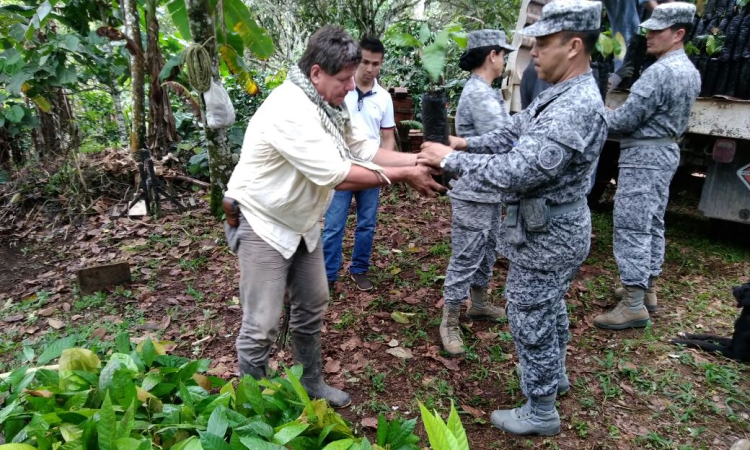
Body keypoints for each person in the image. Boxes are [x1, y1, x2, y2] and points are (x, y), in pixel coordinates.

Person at [223, 26, 444, 408]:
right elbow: (336, 174)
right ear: (316, 74)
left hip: (301, 223)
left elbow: (364, 149)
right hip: (262, 221)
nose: (349, 87)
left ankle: (311, 382)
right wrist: (406, 174)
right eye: (343, 80)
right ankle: (252, 405)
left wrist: (421, 159)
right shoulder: (288, 109)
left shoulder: (331, 105)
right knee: (261, 324)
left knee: (312, 303)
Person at [418, 0, 607, 436]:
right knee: (549, 306)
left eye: (542, 43)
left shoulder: (574, 107)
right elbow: (514, 132)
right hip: (550, 228)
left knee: (529, 311)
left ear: (573, 46)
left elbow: (517, 170)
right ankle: (553, 378)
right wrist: (464, 145)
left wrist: (450, 162)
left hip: (550, 233)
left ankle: (540, 409)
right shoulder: (560, 95)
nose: (533, 52)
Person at [594, 2, 700, 330]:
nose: (649, 35)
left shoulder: (660, 72)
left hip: (644, 158)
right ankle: (646, 289)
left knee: (632, 225)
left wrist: (596, 113)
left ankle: (633, 304)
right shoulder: (690, 71)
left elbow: (627, 119)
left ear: (678, 34)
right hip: (665, 153)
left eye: (657, 30)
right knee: (652, 222)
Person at [439, 29, 516, 356]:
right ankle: (450, 319)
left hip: (489, 189)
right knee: (467, 253)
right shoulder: (480, 94)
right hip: (474, 190)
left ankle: (480, 303)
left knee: (486, 248)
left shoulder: (486, 91)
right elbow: (504, 140)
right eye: (503, 54)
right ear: (492, 55)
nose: (505, 59)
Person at [322, 37, 395, 292]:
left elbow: (388, 137)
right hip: (341, 168)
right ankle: (328, 276)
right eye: (364, 62)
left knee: (367, 223)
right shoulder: (342, 91)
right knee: (333, 225)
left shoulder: (384, 98)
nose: (369, 68)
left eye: (375, 63)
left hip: (372, 168)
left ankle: (359, 269)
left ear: (381, 64)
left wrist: (387, 172)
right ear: (356, 61)